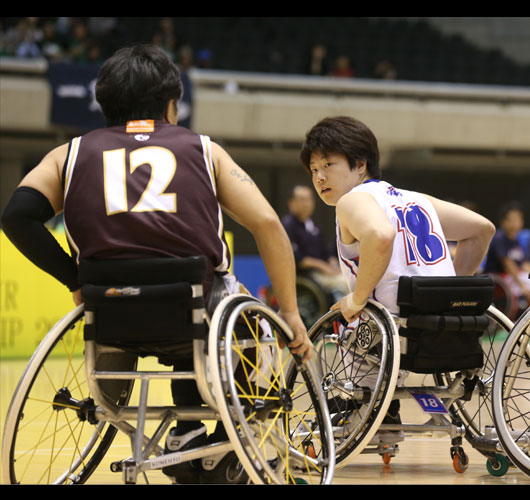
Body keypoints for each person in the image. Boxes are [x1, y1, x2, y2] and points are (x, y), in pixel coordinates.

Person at [1, 43, 312, 484]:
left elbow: (16, 217)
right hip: (198, 316)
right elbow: (267, 225)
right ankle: (233, 441)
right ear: (172, 105)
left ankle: (186, 434)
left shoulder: (68, 155)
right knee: (243, 314)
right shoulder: (204, 150)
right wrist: (290, 314)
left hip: (110, 315)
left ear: (104, 104)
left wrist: (73, 278)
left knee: (177, 317)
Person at [299, 115, 495, 434]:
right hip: (446, 329)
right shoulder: (415, 199)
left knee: (345, 321)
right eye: (313, 170)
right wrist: (447, 295)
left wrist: (357, 298)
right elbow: (483, 229)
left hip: (393, 331)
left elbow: (380, 235)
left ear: (360, 164)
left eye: (328, 165)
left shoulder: (352, 201)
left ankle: (368, 405)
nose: (319, 177)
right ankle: (382, 406)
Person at [281, 185, 347, 300]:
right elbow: (298, 259)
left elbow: (325, 251)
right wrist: (323, 267)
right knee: (344, 284)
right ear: (291, 203)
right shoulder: (287, 225)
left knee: (350, 278)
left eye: (309, 199)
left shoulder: (313, 225)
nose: (306, 204)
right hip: (306, 275)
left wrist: (332, 261)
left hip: (323, 271)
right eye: (302, 200)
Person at [483, 201, 530, 303]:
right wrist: (522, 286)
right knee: (528, 288)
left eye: (518, 219)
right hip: (497, 279)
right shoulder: (499, 238)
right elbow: (508, 264)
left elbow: (525, 263)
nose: (515, 223)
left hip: (513, 277)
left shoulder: (518, 240)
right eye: (512, 220)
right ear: (503, 222)